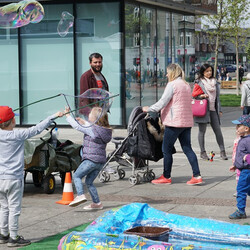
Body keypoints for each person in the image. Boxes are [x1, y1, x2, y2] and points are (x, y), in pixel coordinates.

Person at [0, 106, 63, 247]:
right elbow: (37, 129)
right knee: (14, 208)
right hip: (13, 179)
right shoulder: (17, 135)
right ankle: (14, 237)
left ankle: (3, 235)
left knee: (3, 207)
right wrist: (54, 115)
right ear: (12, 121)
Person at [142, 63, 203, 185]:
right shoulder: (186, 85)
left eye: (167, 72)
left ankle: (166, 176)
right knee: (187, 148)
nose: (166, 74)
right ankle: (197, 175)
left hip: (174, 121)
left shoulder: (172, 84)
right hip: (186, 122)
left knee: (166, 149)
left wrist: (149, 109)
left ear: (172, 73)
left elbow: (163, 101)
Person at [65, 106, 112, 210]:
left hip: (91, 159)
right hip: (100, 162)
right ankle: (97, 203)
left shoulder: (92, 129)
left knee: (76, 176)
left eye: (90, 114)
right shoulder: (104, 130)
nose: (88, 115)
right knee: (89, 182)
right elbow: (91, 128)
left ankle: (80, 195)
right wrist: (83, 122)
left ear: (95, 118)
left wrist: (68, 115)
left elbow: (77, 127)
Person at [192, 63, 228, 161]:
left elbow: (218, 98)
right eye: (207, 71)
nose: (209, 72)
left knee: (218, 131)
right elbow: (194, 95)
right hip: (203, 110)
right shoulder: (199, 82)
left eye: (210, 71)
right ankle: (202, 152)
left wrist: (219, 109)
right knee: (202, 131)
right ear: (203, 72)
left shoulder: (215, 82)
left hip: (213, 110)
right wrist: (201, 96)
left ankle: (222, 151)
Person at [229, 115, 250, 219]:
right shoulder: (244, 139)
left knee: (241, 190)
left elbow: (246, 156)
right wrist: (236, 165)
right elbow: (241, 155)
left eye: (238, 126)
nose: (236, 128)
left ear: (246, 128)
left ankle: (241, 211)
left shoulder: (248, 140)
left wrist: (247, 158)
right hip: (244, 169)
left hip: (247, 171)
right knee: (248, 190)